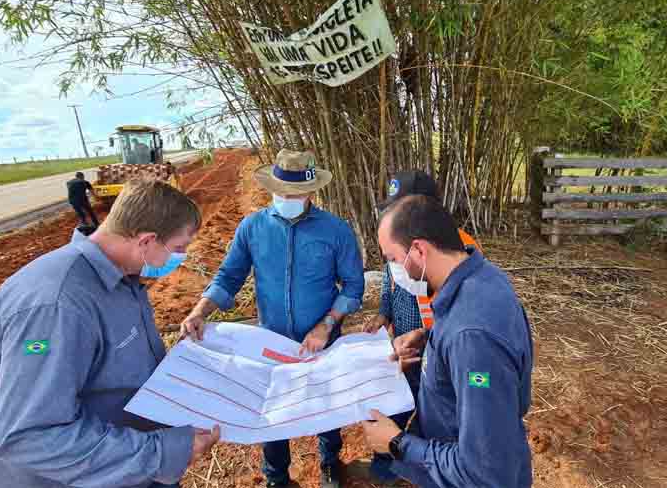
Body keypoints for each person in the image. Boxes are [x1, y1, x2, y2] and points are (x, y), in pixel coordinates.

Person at [0, 179, 220, 488]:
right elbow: (30, 437)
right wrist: (161, 452)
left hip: (127, 469)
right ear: (146, 240)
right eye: (179, 249)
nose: (181, 258)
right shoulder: (57, 306)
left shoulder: (122, 278)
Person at [180, 149, 365, 488]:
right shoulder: (252, 228)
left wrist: (327, 325)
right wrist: (199, 311)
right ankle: (276, 476)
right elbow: (228, 276)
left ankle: (329, 462)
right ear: (271, 188)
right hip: (270, 340)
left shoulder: (336, 231)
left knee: (326, 402)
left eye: (295, 194)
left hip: (322, 337)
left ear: (311, 192)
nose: (288, 199)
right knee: (272, 409)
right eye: (281, 193)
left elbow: (353, 286)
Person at [361, 195, 533, 488]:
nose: (393, 270)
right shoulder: (480, 278)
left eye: (392, 259)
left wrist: (397, 443)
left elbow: (485, 473)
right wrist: (430, 340)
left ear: (418, 249)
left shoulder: (471, 337)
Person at [362, 170, 480, 483]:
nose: (396, 216)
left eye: (403, 207)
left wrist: (432, 338)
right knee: (395, 403)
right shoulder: (399, 241)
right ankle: (386, 469)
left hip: (436, 348)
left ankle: (422, 464)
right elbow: (390, 281)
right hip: (411, 341)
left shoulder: (460, 250)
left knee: (432, 409)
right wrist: (385, 315)